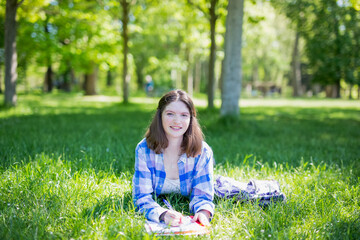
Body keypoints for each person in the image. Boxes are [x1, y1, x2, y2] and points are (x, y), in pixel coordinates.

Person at [132, 89, 215, 227]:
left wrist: (203, 212)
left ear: (191, 119)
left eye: (184, 115)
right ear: (160, 116)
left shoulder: (203, 151)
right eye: (170, 114)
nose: (177, 121)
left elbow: (203, 195)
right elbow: (141, 197)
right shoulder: (144, 150)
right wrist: (162, 214)